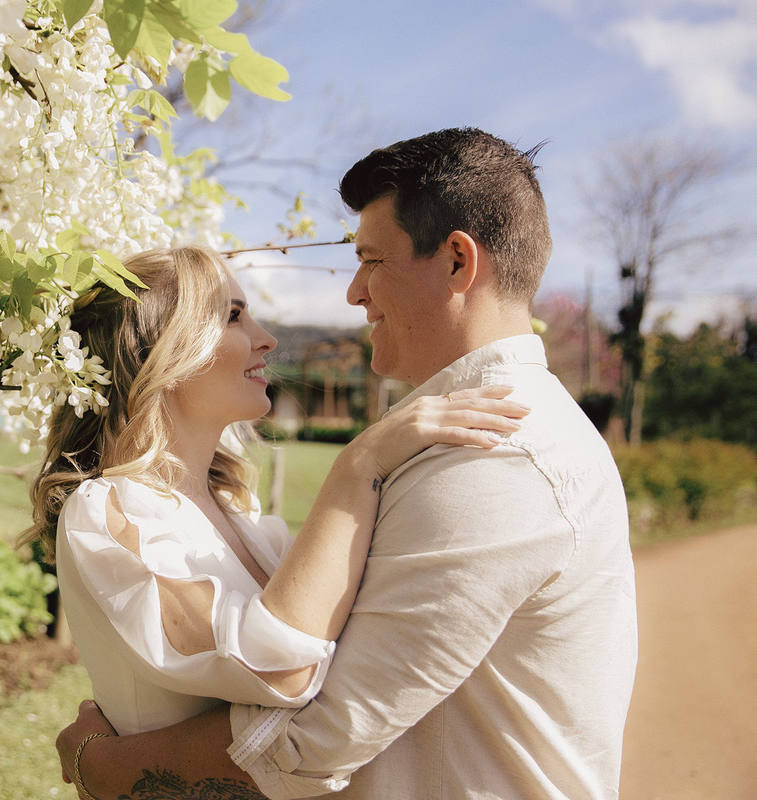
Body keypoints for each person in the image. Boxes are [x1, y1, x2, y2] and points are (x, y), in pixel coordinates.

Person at [55, 128, 639, 800]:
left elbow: (313, 736)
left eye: (370, 260)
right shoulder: (467, 437)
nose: (354, 292)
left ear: (456, 262)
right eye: (235, 315)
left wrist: (106, 766)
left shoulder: (495, 456)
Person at [21, 246, 529, 747]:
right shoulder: (108, 511)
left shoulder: (236, 511)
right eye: (234, 317)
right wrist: (356, 466)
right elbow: (282, 671)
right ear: (161, 351)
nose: (266, 340)